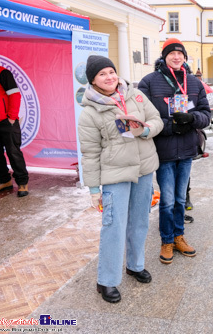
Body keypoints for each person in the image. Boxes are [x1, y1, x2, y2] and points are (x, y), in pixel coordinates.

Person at [78, 55, 164, 303]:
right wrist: (94, 189)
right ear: (93, 80)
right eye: (102, 74)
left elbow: (156, 118)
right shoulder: (91, 112)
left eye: (111, 71)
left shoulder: (134, 94)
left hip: (144, 168)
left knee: (139, 221)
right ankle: (106, 280)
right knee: (113, 226)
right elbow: (90, 154)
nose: (109, 77)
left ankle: (135, 265)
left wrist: (145, 130)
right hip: (115, 174)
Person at [138, 38, 211, 265]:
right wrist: (171, 126)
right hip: (164, 150)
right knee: (167, 201)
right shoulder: (149, 82)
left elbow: (206, 115)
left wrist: (191, 119)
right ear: (164, 56)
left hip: (187, 151)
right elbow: (143, 116)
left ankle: (179, 236)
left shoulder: (194, 83)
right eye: (172, 53)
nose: (176, 57)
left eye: (180, 53)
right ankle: (166, 241)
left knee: (180, 199)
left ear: (185, 57)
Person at [0, 48, 29, 197]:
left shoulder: (1, 72)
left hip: (6, 121)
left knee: (13, 153)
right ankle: (4, 181)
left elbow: (14, 95)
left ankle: (22, 183)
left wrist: (11, 117)